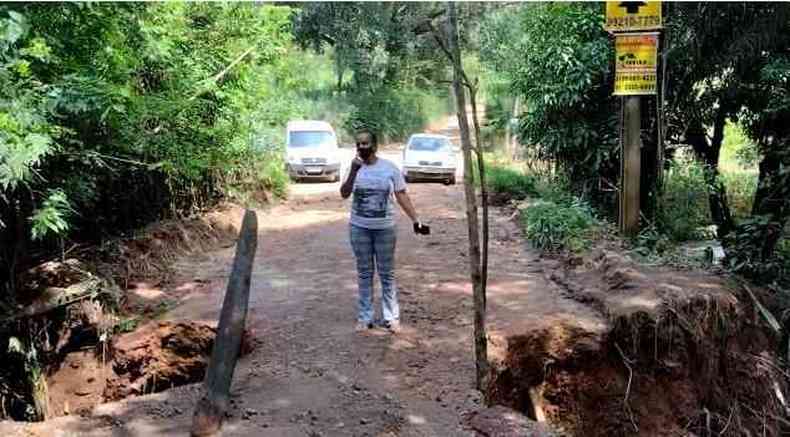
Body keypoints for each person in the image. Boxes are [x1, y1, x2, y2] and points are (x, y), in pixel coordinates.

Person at [340, 129, 428, 333]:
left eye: (366, 143)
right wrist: (353, 170)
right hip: (359, 227)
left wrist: (416, 220)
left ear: (375, 145)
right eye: (359, 144)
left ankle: (391, 318)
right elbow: (344, 193)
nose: (362, 147)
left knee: (387, 273)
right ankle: (365, 317)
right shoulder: (353, 168)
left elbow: (402, 195)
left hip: (385, 229)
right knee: (364, 273)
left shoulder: (389, 168)